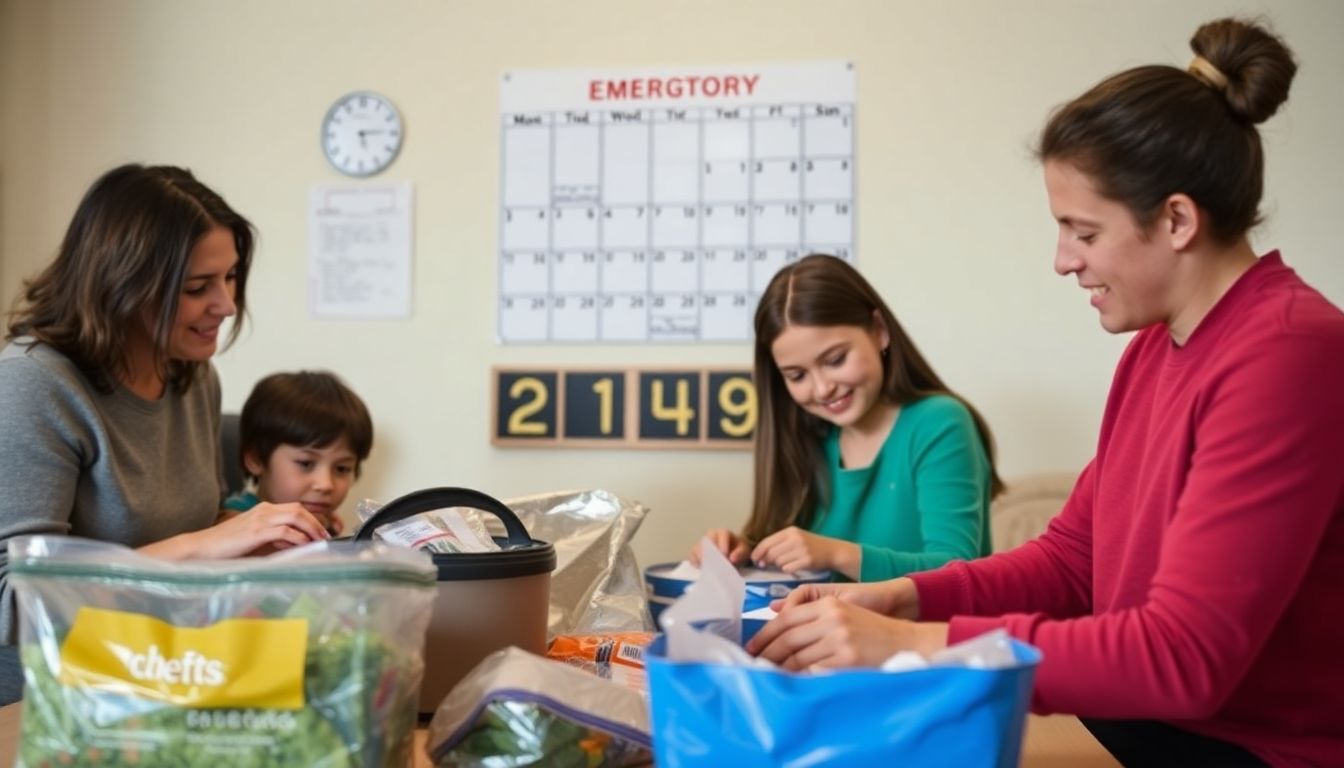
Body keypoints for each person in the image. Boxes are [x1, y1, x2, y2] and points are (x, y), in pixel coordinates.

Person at [747, 18, 1344, 767]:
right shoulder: (1157, 347)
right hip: (1148, 728)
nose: (1063, 260)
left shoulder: (1289, 354)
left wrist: (914, 644)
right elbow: (1071, 561)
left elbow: (1184, 658)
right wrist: (902, 597)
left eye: (1082, 232)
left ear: (1178, 219)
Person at [0, 164, 333, 704]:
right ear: (121, 285)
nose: (225, 304)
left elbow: (189, 532)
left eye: (229, 279)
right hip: (47, 706)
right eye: (198, 287)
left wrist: (258, 536)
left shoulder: (192, 376)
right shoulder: (33, 386)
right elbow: (12, 602)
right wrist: (207, 543)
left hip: (163, 674)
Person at [693, 254, 1003, 581]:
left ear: (879, 331)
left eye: (836, 359)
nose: (823, 388)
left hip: (919, 632)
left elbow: (955, 571)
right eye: (797, 376)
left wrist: (835, 553)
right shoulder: (806, 437)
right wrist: (745, 555)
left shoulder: (940, 423)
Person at [223, 370, 374, 536]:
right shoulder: (234, 522)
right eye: (306, 464)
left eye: (342, 468)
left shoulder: (324, 522)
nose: (326, 485)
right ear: (256, 459)